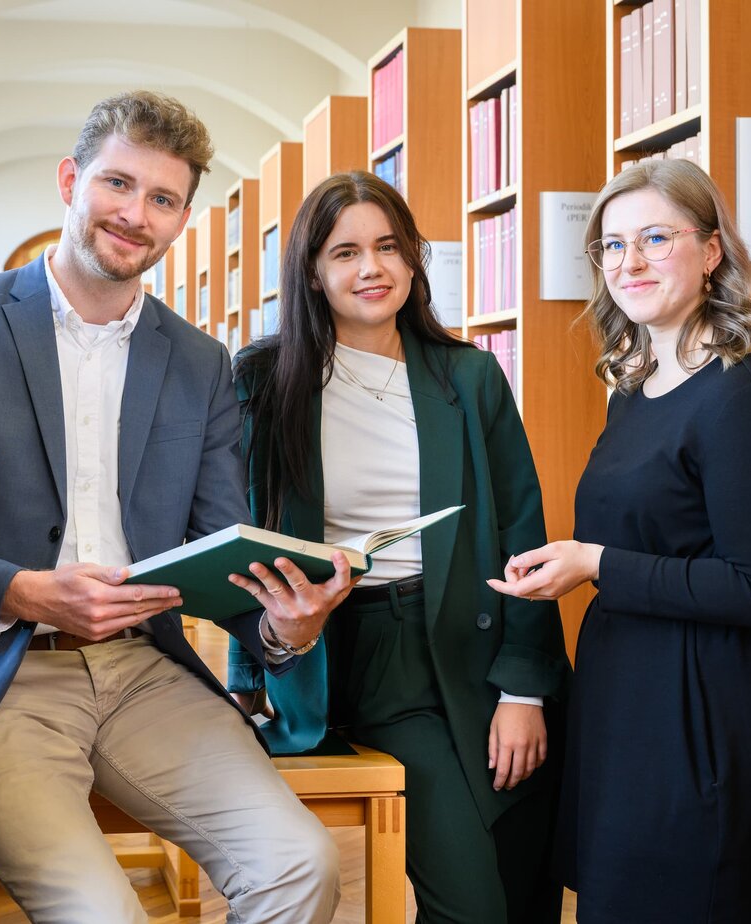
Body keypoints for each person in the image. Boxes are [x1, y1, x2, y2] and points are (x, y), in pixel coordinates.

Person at [0, 91, 352, 924]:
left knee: (300, 866)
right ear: (70, 181)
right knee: (105, 916)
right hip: (0, 677)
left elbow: (218, 546)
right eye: (117, 183)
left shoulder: (199, 361)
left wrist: (283, 628)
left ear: (182, 220)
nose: (135, 214)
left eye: (162, 198)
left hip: (145, 674)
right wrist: (20, 591)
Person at [227, 171, 571, 924]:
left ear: (414, 259)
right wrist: (247, 673)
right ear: (312, 273)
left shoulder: (469, 376)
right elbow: (247, 534)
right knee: (473, 904)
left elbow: (522, 531)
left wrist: (524, 692)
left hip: (473, 644)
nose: (371, 268)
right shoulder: (264, 380)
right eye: (345, 252)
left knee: (518, 885)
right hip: (353, 648)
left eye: (388, 247)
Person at [489, 158, 751, 924]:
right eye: (612, 245)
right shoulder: (636, 387)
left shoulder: (745, 396)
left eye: (656, 239)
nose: (629, 262)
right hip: (625, 702)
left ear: (711, 251)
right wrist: (569, 560)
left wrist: (594, 562)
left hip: (705, 713)